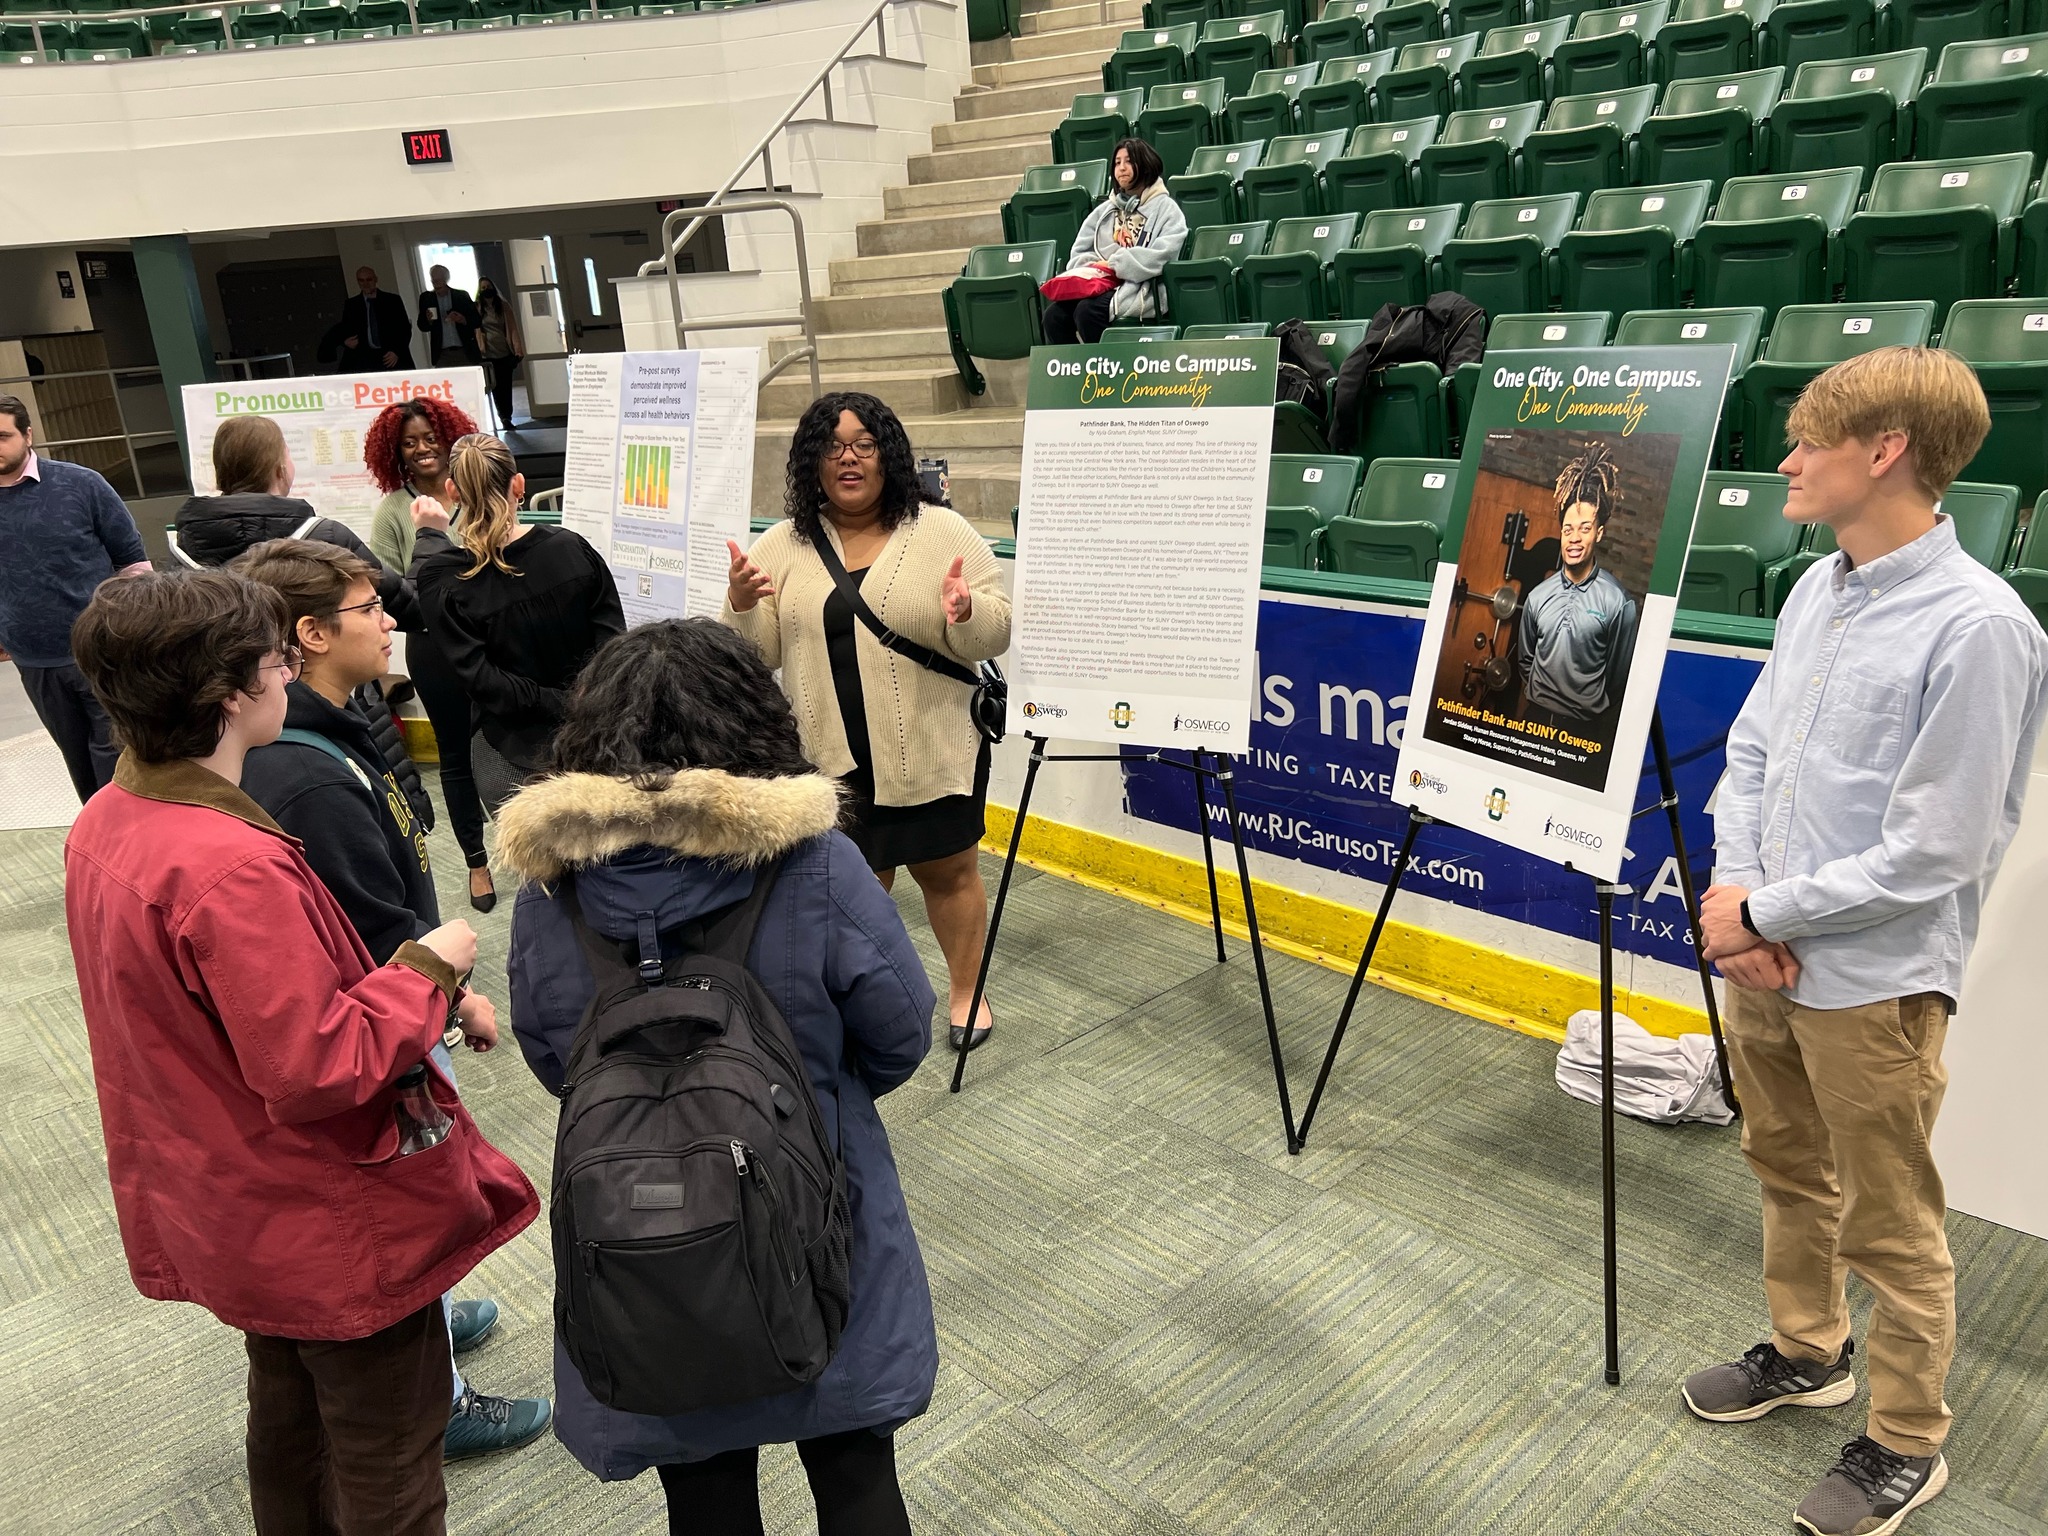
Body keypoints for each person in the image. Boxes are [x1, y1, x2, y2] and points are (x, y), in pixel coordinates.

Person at [61, 567, 537, 1536]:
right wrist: (429, 970)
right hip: (318, 1214)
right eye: (268, 659)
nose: (285, 670)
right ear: (228, 694)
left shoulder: (112, 819)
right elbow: (314, 1065)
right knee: (388, 1455)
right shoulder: (228, 868)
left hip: (228, 1197)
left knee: (288, 1423)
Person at [1689, 347, 2048, 1536]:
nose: (1786, 461)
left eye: (1807, 442)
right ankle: (1807, 1351)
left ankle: (1905, 1440)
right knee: (1784, 1171)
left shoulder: (1980, 628)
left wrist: (1761, 917)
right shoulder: (1813, 590)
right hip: (1767, 961)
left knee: (1888, 1223)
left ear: (1883, 450)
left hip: (1874, 986)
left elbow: (1933, 850)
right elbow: (1749, 755)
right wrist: (1736, 896)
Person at [498, 617, 937, 1536]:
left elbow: (552, 1059)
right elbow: (900, 1034)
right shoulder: (815, 862)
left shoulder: (554, 890)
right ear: (756, 724)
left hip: (638, 1219)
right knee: (855, 1467)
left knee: (701, 1488)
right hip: (820, 1192)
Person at [231, 538, 553, 1462]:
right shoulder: (301, 771)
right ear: (310, 632)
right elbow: (369, 939)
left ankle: (438, 1318)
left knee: (428, 1202)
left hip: (407, 1004)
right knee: (406, 1207)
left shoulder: (333, 725)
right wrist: (450, 1004)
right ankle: (438, 1397)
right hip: (390, 1025)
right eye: (370, 608)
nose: (389, 621)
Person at [723, 391, 1011, 1051]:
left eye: (864, 443)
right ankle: (874, 1004)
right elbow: (755, 652)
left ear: (889, 453)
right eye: (832, 444)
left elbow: (997, 627)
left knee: (949, 874)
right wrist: (740, 603)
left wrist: (966, 613)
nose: (848, 458)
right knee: (851, 894)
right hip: (833, 760)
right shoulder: (784, 544)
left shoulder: (940, 530)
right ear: (812, 462)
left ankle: (968, 993)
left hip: (934, 746)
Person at [415, 431, 624, 814]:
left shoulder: (441, 580)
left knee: (538, 870)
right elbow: (616, 650)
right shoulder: (572, 548)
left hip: (512, 761)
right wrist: (580, 704)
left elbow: (482, 682)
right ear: (519, 483)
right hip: (602, 747)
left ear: (452, 491)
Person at [366, 397, 497, 909]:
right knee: (456, 756)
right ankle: (476, 862)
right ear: (394, 453)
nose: (422, 450)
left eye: (429, 439)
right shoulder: (393, 511)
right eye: (409, 443)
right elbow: (390, 590)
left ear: (449, 439)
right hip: (434, 649)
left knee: (513, 743)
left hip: (494, 640)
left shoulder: (477, 494)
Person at [0, 393, 151, 802]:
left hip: (99, 650)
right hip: (34, 659)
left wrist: (137, 631)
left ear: (28, 435)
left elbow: (133, 563)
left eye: (2, 436)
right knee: (78, 761)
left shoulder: (81, 484)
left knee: (118, 754)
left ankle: (134, 836)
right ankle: (101, 840)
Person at [1516, 442, 1639, 726]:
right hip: (1532, 719)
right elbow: (1525, 662)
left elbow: (1618, 677)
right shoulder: (1538, 596)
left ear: (1599, 533)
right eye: (1567, 529)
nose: (1574, 538)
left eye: (1585, 528)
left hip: (1583, 729)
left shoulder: (1618, 602)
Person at [1040, 138, 1187, 345]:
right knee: (1053, 317)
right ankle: (1080, 373)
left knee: (1087, 312)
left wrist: (1117, 265)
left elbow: (1165, 255)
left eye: (1128, 161)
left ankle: (1110, 373)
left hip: (1139, 287)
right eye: (1117, 163)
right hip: (1097, 284)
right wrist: (1095, 266)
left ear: (1145, 164)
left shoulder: (1166, 208)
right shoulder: (1104, 211)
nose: (1121, 168)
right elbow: (1078, 254)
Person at [328, 266, 417, 373]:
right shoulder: (352, 304)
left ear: (375, 279)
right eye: (361, 280)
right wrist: (345, 341)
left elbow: (404, 329)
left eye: (369, 279)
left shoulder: (392, 300)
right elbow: (345, 329)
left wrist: (397, 351)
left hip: (390, 355)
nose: (365, 284)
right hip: (365, 357)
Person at [474, 277, 524, 432]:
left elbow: (513, 328)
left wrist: (517, 350)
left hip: (504, 352)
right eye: (483, 287)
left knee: (505, 387)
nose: (486, 289)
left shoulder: (503, 306)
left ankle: (507, 417)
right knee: (494, 388)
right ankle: (498, 416)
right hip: (487, 355)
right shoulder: (476, 308)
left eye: (488, 286)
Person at [418, 265, 482, 369]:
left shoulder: (461, 296)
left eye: (438, 280)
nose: (436, 284)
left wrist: (463, 319)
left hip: (464, 351)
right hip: (442, 354)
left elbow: (477, 321)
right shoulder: (426, 298)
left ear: (446, 279)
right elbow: (422, 326)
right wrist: (428, 320)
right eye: (433, 281)